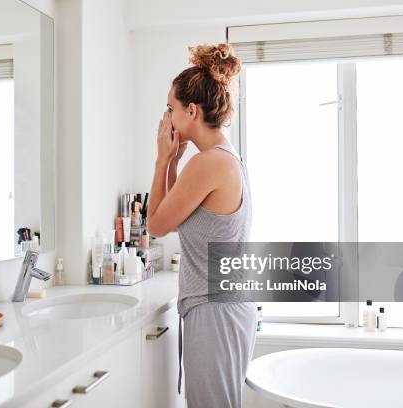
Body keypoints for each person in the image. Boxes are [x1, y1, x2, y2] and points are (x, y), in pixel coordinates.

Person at [146, 43, 256, 408]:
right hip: (223, 306)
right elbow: (177, 220)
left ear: (191, 110)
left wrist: (162, 159)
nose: (167, 117)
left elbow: (156, 226)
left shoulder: (208, 163)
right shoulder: (224, 158)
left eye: (170, 108)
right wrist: (173, 161)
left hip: (215, 310)